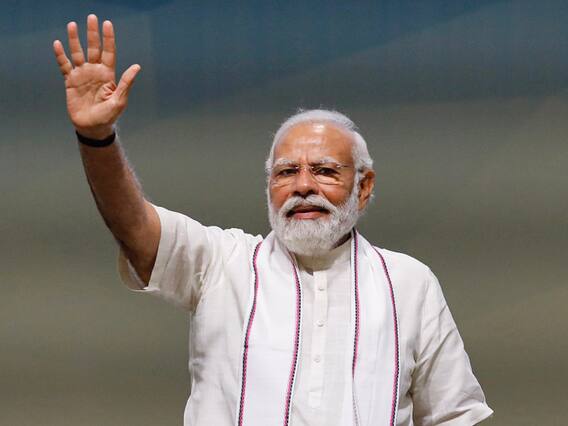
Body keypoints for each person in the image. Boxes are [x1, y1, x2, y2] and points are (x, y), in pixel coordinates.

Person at [53, 15, 493, 426]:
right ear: (268, 186)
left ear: (363, 186)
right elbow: (133, 227)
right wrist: (97, 138)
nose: (303, 186)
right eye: (286, 172)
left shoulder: (409, 284)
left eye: (324, 170)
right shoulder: (221, 263)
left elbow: (454, 415)